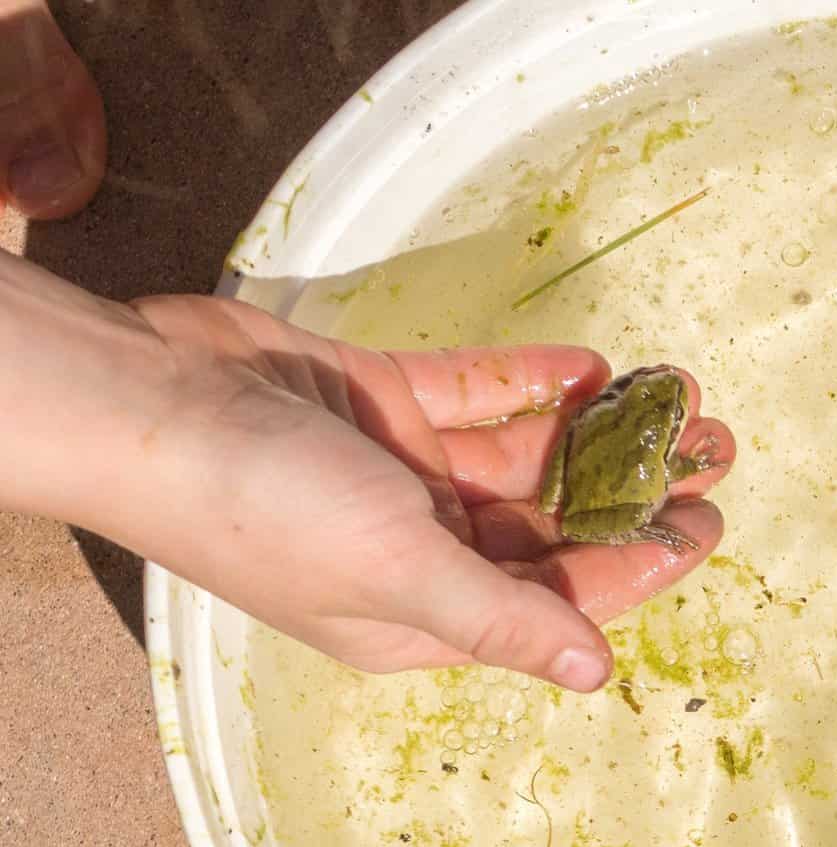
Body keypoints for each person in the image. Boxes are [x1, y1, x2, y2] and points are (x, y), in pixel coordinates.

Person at [0, 0, 735, 694]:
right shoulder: (648, 447)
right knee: (638, 500)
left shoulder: (609, 421)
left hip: (579, 477)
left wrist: (168, 387)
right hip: (601, 495)